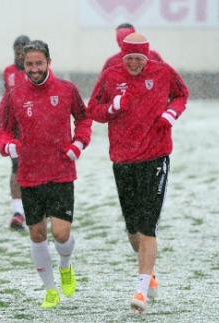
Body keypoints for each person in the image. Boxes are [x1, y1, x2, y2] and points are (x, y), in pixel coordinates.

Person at [86, 32, 188, 313]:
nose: (133, 63)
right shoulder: (110, 76)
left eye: (138, 58)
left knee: (148, 224)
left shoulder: (163, 72)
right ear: (123, 56)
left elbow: (181, 95)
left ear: (147, 56)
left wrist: (171, 113)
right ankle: (149, 271)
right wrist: (113, 107)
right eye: (129, 58)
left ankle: (141, 290)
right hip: (123, 158)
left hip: (156, 156)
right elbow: (92, 109)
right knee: (133, 231)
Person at [0, 40, 93, 308]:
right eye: (29, 64)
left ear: (49, 62)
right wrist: (8, 145)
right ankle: (50, 290)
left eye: (39, 63)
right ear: (23, 65)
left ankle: (65, 265)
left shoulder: (66, 89)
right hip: (30, 175)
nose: (34, 69)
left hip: (61, 172)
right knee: (37, 234)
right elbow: (2, 131)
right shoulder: (15, 96)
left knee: (61, 234)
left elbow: (84, 119)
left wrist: (78, 143)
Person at [0, 35, 31, 229]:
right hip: (15, 127)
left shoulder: (36, 70)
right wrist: (1, 109)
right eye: (17, 49)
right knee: (16, 166)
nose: (19, 53)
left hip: (35, 125)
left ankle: (40, 206)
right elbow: (7, 94)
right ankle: (17, 211)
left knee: (37, 165)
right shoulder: (9, 72)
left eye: (23, 49)